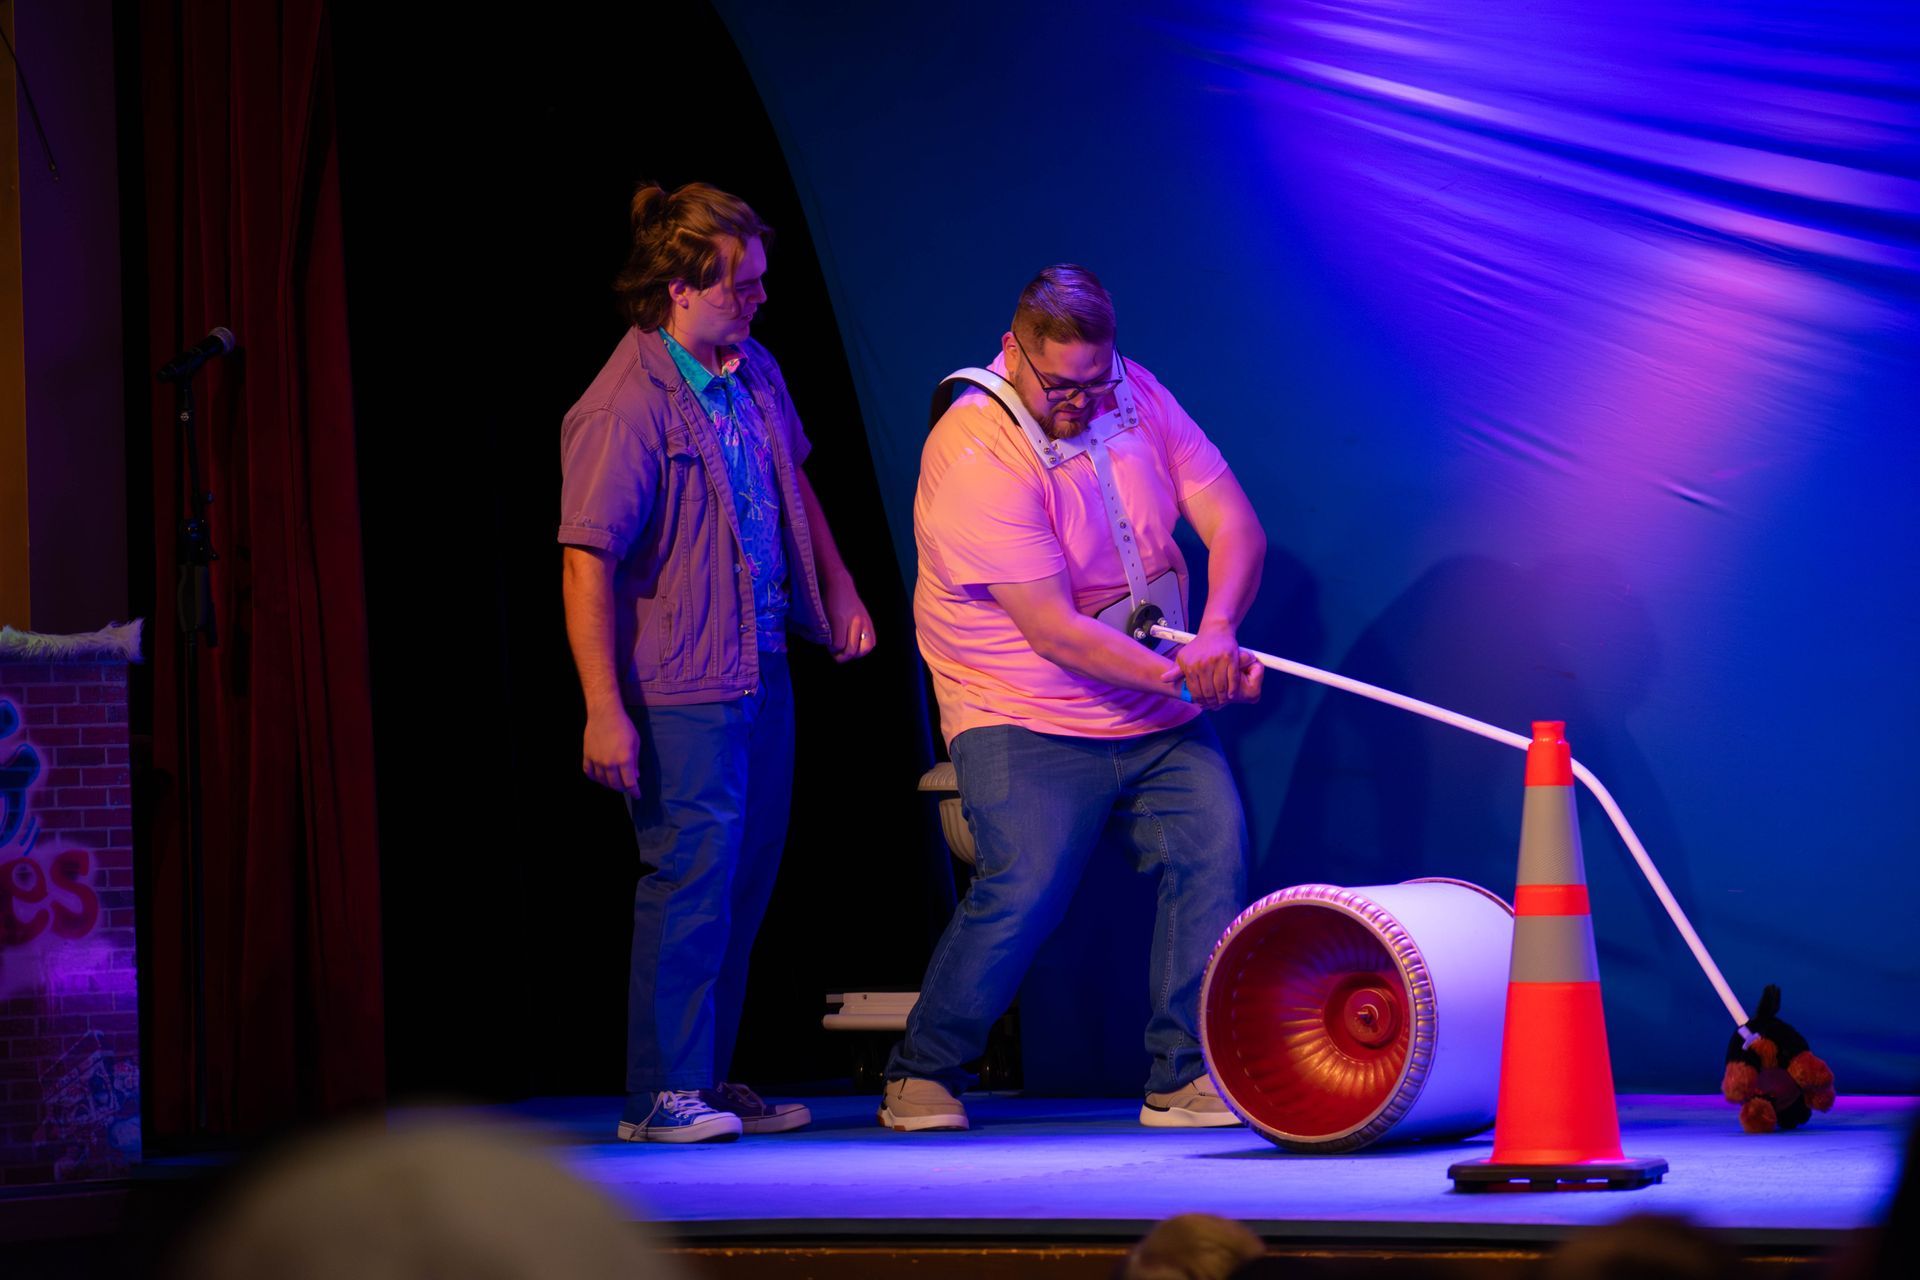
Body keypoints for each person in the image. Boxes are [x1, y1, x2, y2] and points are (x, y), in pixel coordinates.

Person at [884, 264, 1265, 1132]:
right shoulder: (975, 446)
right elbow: (1054, 631)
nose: (1082, 402)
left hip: (1151, 698)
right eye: (1061, 385)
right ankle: (923, 1071)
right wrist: (1190, 673)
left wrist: (1218, 630)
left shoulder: (1134, 392)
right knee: (1028, 884)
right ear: (1015, 351)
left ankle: (1183, 1076)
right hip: (1023, 705)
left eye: (1097, 381)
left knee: (1212, 848)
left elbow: (1233, 522)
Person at [559, 182, 874, 1143]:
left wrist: (843, 586)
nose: (758, 298)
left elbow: (794, 478)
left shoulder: (752, 369)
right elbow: (586, 559)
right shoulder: (625, 404)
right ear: (680, 288)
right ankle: (661, 1093)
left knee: (742, 878)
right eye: (742, 285)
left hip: (759, 662)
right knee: (690, 875)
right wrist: (602, 708)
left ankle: (707, 1074)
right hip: (678, 685)